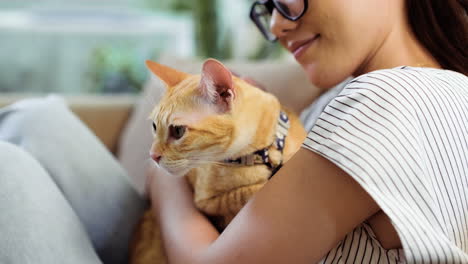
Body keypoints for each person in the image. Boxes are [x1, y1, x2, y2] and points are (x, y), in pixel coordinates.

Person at [0, 1, 466, 264]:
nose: (280, 24)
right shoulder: (348, 100)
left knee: (8, 169)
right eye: (268, 7)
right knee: (39, 118)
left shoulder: (393, 98)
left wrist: (165, 182)